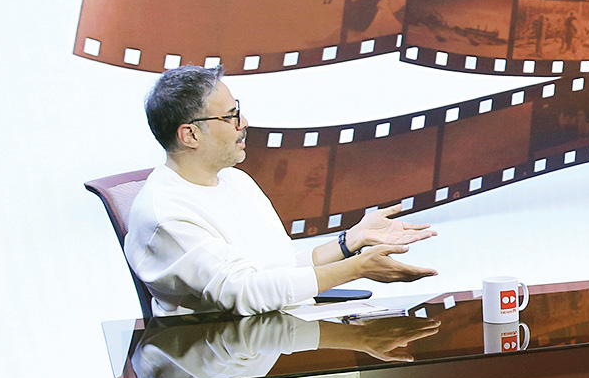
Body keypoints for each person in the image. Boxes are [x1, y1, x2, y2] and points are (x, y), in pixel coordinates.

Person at [124, 65, 438, 317]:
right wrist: (357, 268)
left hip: (277, 336)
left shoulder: (235, 181)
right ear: (190, 135)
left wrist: (350, 241)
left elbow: (280, 271)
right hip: (221, 356)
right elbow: (246, 292)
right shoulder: (165, 214)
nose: (244, 123)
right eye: (231, 116)